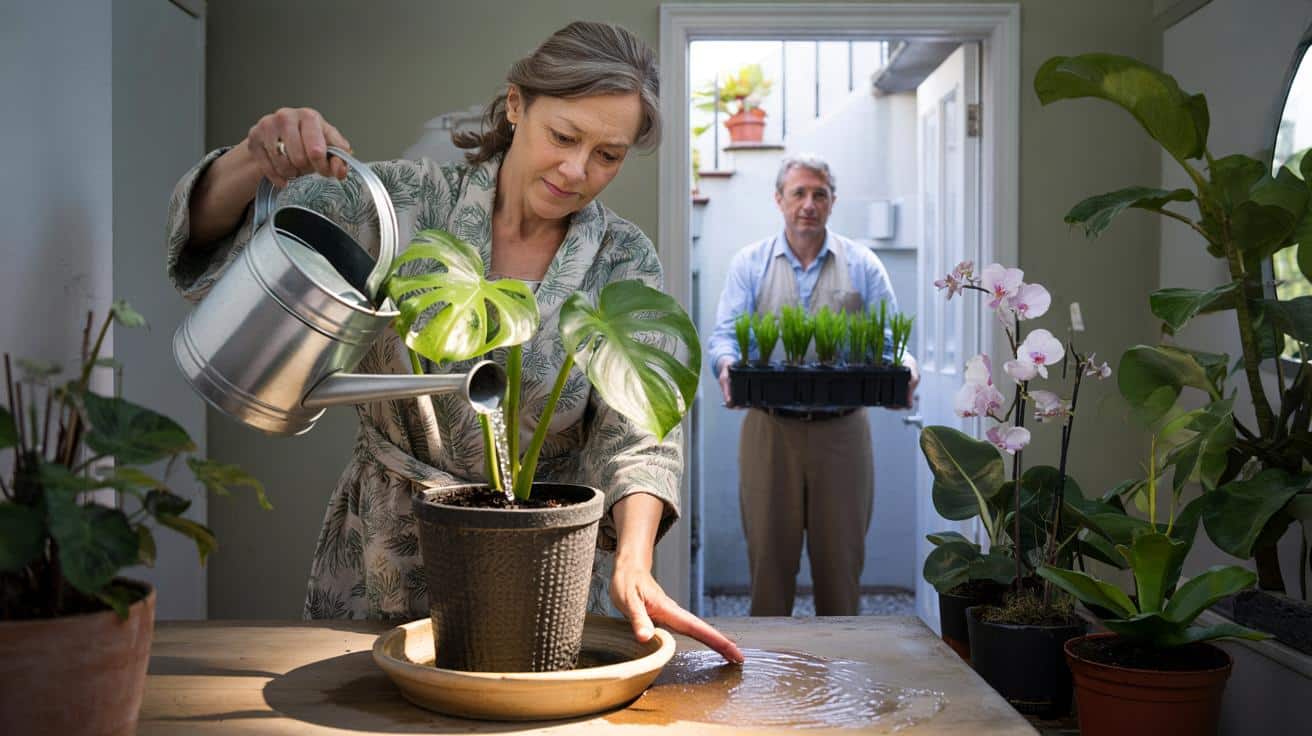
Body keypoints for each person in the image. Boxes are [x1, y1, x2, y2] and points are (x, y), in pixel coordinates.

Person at [167, 21, 742, 664]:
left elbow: (638, 427)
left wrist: (636, 559)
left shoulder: (621, 256)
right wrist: (254, 156)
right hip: (388, 551)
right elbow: (239, 233)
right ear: (518, 104)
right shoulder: (408, 204)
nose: (578, 170)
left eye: (607, 155)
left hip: (541, 571)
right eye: (564, 136)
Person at [708, 155, 919, 617]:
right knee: (768, 563)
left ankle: (838, 679)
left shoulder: (862, 264)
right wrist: (726, 366)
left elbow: (889, 342)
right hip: (769, 429)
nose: (808, 203)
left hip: (843, 432)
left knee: (841, 565)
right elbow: (725, 335)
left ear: (832, 202)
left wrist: (906, 365)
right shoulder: (751, 263)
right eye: (798, 193)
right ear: (779, 200)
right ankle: (768, 678)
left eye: (819, 194)